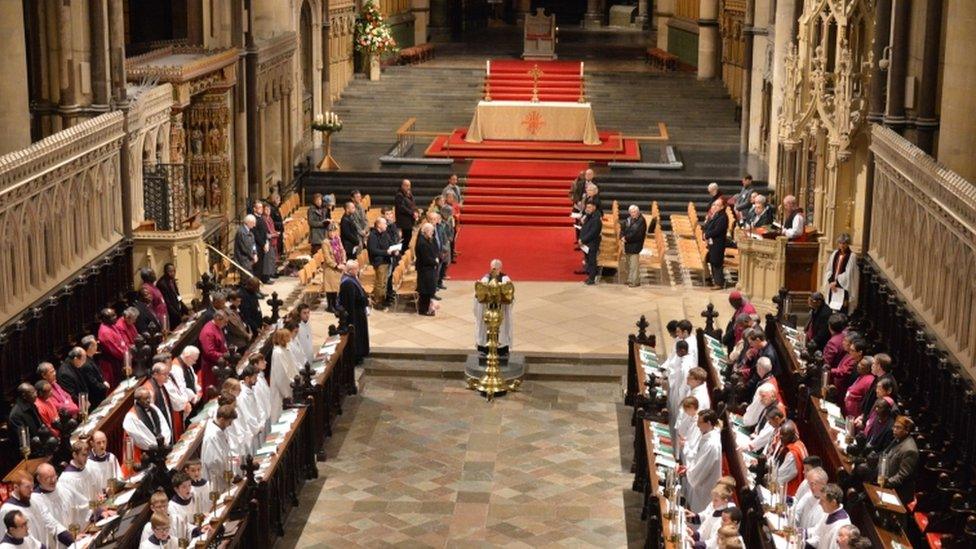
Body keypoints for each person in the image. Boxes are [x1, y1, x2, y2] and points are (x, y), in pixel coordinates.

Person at [682, 410, 722, 513]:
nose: (697, 425)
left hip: (705, 487)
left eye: (700, 422)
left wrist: (689, 472)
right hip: (699, 481)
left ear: (708, 423)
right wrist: (689, 469)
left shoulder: (712, 445)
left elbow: (702, 469)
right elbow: (698, 459)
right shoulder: (707, 436)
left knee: (697, 513)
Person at [474, 260, 513, 355]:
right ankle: (485, 349)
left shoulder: (505, 280)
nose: (495, 270)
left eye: (496, 268)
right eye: (493, 268)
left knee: (501, 329)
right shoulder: (485, 280)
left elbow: (510, 296)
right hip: (488, 310)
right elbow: (478, 296)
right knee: (486, 329)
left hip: (500, 310)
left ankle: (501, 349)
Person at [123, 388, 173, 462]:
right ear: (138, 400)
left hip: (162, 446)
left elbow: (163, 425)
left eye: (149, 397)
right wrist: (157, 445)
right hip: (147, 453)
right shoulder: (131, 417)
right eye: (145, 399)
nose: (148, 401)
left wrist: (165, 440)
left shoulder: (154, 408)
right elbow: (140, 438)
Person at [878, 416, 919, 504]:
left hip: (898, 492)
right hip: (885, 480)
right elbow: (885, 455)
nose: (894, 430)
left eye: (898, 428)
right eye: (894, 427)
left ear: (906, 431)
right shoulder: (897, 439)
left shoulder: (910, 450)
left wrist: (884, 483)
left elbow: (901, 476)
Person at [336, 260, 370, 362]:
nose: (358, 270)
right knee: (357, 336)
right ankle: (356, 356)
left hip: (359, 311)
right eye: (356, 269)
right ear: (351, 270)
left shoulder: (352, 278)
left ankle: (361, 353)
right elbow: (350, 303)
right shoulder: (348, 283)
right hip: (355, 315)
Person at [270, 329, 300, 423]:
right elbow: (281, 375)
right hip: (282, 392)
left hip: (292, 384)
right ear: (281, 338)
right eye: (287, 336)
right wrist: (287, 393)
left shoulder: (285, 349)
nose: (290, 338)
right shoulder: (278, 352)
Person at [366, 217, 397, 310]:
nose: (386, 225)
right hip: (379, 262)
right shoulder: (372, 236)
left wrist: (395, 249)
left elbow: (391, 243)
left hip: (387, 260)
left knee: (384, 282)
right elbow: (373, 250)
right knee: (380, 283)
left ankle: (382, 299)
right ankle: (378, 301)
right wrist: (385, 252)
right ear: (379, 225)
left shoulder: (385, 234)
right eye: (384, 223)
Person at [807, 484, 850, 548]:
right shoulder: (829, 512)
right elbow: (817, 534)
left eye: (823, 500)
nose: (819, 503)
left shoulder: (840, 526)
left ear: (833, 503)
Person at [201, 405, 237, 482]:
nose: (230, 424)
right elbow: (214, 462)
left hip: (224, 475)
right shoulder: (211, 437)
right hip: (217, 479)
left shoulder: (219, 430)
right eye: (229, 422)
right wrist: (229, 476)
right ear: (222, 419)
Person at [198, 310, 229, 393]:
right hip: (212, 367)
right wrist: (225, 356)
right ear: (218, 319)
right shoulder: (208, 331)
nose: (226, 324)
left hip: (221, 363)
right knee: (213, 390)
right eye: (225, 321)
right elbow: (209, 352)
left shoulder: (217, 326)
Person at [772, 421, 807, 495]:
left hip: (788, 493)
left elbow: (780, 478)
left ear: (792, 436)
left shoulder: (793, 454)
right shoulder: (798, 444)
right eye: (780, 436)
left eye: (784, 436)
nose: (781, 439)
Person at [824, 233, 857, 311]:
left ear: (848, 244)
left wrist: (837, 282)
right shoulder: (835, 254)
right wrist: (831, 281)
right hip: (833, 285)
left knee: (842, 308)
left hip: (844, 286)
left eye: (844, 243)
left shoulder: (852, 256)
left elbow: (849, 274)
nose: (842, 245)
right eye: (840, 243)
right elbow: (829, 269)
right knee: (832, 306)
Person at [97, 308, 128, 387]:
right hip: (112, 363)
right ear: (104, 319)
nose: (115, 317)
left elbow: (121, 340)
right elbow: (116, 351)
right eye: (111, 316)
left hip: (120, 359)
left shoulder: (111, 325)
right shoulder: (105, 333)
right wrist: (127, 355)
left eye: (114, 315)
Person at [8, 384, 44, 451]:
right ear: (24, 396)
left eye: (35, 391)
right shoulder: (16, 415)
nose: (36, 394)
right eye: (32, 393)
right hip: (31, 451)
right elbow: (24, 441)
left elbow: (40, 424)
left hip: (41, 444)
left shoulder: (31, 404)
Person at [703, 198, 729, 289]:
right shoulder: (716, 215)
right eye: (714, 204)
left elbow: (717, 230)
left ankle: (719, 283)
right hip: (713, 242)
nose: (714, 206)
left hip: (718, 243)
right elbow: (709, 226)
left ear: (722, 207)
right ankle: (715, 281)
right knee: (713, 261)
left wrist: (707, 235)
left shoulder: (723, 217)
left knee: (717, 262)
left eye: (717, 205)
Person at [415, 224, 440, 317]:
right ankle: (423, 310)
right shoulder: (422, 243)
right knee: (425, 290)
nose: (432, 233)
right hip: (425, 269)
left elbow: (435, 248)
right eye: (431, 231)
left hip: (429, 268)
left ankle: (428, 307)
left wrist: (436, 257)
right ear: (425, 231)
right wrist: (435, 262)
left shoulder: (427, 239)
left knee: (429, 288)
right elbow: (426, 258)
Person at [79, 335, 110, 407]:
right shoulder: (85, 364)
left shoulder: (91, 357)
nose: (97, 347)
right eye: (95, 345)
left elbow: (99, 372)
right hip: (95, 398)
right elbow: (93, 383)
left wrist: (104, 381)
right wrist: (104, 387)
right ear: (90, 347)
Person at [620, 205, 647, 287]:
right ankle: (629, 279)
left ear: (638, 212)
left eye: (634, 212)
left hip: (635, 245)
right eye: (631, 212)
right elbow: (622, 229)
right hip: (628, 244)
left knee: (634, 265)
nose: (633, 214)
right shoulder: (628, 219)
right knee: (628, 263)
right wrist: (621, 236)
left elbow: (637, 234)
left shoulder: (641, 221)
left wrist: (626, 238)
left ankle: (635, 281)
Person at [156, 263, 189, 329]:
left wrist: (186, 309)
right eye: (170, 271)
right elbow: (167, 303)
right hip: (171, 314)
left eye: (174, 271)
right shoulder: (162, 284)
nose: (173, 273)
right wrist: (179, 316)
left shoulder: (172, 280)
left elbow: (177, 295)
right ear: (165, 272)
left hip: (177, 311)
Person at [322, 224, 346, 312]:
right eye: (330, 231)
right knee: (330, 288)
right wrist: (336, 265)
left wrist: (343, 261)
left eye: (334, 231)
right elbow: (327, 258)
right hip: (330, 268)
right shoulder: (325, 242)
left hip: (339, 266)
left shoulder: (338, 239)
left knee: (336, 288)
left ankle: (336, 304)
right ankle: (330, 306)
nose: (332, 233)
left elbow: (342, 250)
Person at [579, 202, 602, 285]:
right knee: (588, 260)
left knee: (592, 261)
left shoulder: (596, 219)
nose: (587, 209)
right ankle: (589, 276)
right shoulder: (589, 216)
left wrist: (583, 240)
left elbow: (593, 233)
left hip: (592, 243)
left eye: (589, 207)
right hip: (587, 243)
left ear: (594, 208)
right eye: (587, 207)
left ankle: (592, 278)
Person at [675, 396, 701, 461]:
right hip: (685, 446)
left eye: (686, 410)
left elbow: (693, 440)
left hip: (690, 452)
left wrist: (685, 442)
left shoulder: (697, 422)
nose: (685, 412)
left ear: (692, 408)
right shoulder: (692, 417)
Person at [395, 179, 418, 248]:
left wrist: (416, 211)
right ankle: (402, 251)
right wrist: (412, 213)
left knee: (408, 236)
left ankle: (404, 249)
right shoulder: (399, 195)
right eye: (407, 186)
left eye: (409, 186)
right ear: (402, 186)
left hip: (409, 220)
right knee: (406, 237)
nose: (409, 187)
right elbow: (402, 208)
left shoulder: (409, 193)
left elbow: (413, 204)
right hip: (404, 220)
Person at [259, 201, 280, 280]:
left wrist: (275, 233)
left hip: (273, 240)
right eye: (266, 210)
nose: (268, 211)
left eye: (269, 210)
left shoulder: (270, 218)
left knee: (273, 258)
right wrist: (274, 234)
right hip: (268, 241)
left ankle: (272, 272)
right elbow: (266, 232)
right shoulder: (263, 219)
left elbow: (273, 229)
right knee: (268, 259)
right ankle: (268, 275)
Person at [438, 206, 455, 289]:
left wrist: (451, 236)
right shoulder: (441, 222)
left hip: (447, 241)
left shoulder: (449, 220)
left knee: (446, 260)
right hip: (443, 243)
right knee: (443, 261)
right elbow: (441, 233)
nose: (449, 216)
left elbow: (451, 229)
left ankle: (441, 278)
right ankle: (440, 280)